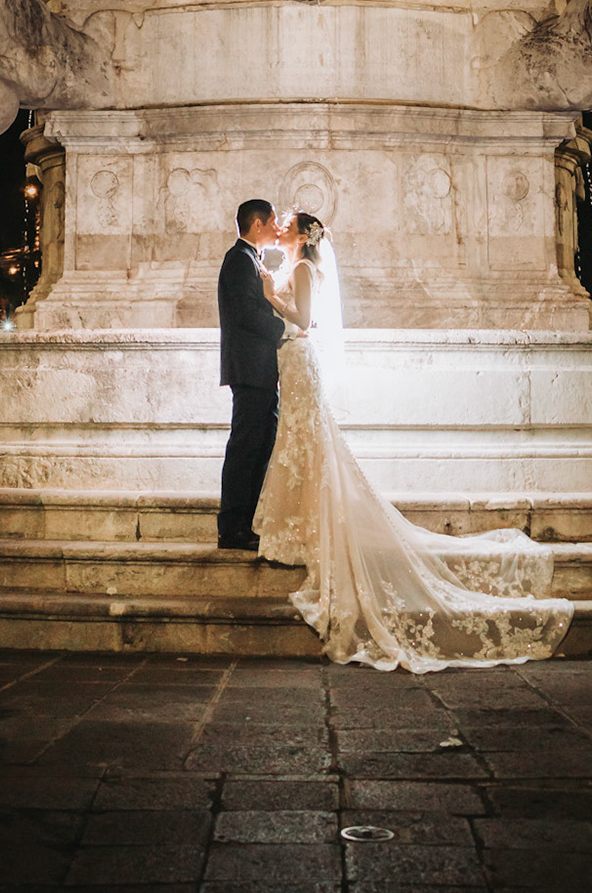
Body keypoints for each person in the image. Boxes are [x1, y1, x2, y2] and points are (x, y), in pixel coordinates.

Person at [253, 211, 573, 672]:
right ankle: (301, 523)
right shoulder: (297, 266)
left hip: (301, 360)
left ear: (304, 236)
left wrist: (271, 298)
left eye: (286, 223)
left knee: (308, 445)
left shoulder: (302, 268)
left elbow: (303, 319)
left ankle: (305, 525)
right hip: (296, 365)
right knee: (303, 445)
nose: (279, 227)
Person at [216, 198, 285, 551]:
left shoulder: (250, 259)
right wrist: (285, 329)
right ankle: (232, 527)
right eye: (273, 221)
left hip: (259, 369)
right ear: (258, 224)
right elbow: (245, 314)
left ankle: (246, 523)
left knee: (260, 445)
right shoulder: (239, 260)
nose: (278, 228)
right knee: (245, 447)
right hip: (249, 369)